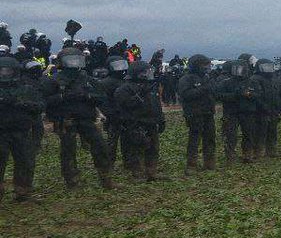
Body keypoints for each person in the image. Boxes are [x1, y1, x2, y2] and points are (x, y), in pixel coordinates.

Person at [42, 46, 114, 189]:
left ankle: (106, 178)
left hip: (86, 119)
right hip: (66, 120)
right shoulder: (54, 80)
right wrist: (62, 97)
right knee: (68, 151)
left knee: (100, 146)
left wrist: (88, 96)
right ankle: (72, 181)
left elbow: (101, 97)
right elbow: (45, 101)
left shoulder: (87, 79)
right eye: (70, 60)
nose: (74, 63)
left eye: (77, 60)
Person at [0, 54, 43, 202]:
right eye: (2, 71)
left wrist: (23, 104)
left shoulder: (26, 89)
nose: (4, 74)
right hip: (1, 132)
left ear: (15, 72)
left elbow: (40, 106)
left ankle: (22, 192)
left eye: (8, 71)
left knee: (25, 162)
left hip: (21, 131)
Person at [115, 60, 166, 181]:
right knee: (137, 149)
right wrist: (139, 95)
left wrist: (161, 119)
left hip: (151, 122)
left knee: (153, 148)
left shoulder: (151, 87)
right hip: (136, 123)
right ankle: (137, 173)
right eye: (145, 72)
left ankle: (151, 172)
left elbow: (156, 105)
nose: (148, 74)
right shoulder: (124, 88)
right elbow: (124, 105)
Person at [177, 54, 217, 173]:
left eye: (208, 65)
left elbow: (213, 93)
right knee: (194, 139)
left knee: (210, 138)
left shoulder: (207, 77)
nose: (207, 68)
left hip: (208, 113)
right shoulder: (186, 79)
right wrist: (203, 89)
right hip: (194, 114)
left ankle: (209, 163)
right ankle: (191, 165)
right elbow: (186, 95)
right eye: (204, 65)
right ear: (196, 66)